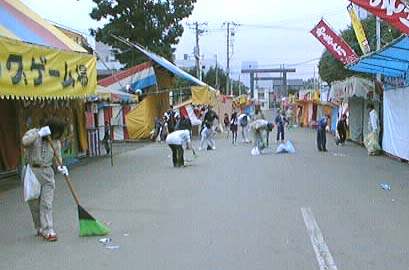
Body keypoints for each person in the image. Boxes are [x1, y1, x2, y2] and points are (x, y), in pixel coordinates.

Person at [22, 118, 68, 242]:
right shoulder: (34, 133)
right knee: (34, 203)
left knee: (46, 203)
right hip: (32, 172)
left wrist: (61, 167)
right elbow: (24, 142)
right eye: (58, 131)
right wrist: (38, 134)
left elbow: (57, 158)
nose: (59, 135)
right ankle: (39, 227)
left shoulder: (56, 142)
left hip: (47, 173)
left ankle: (48, 229)